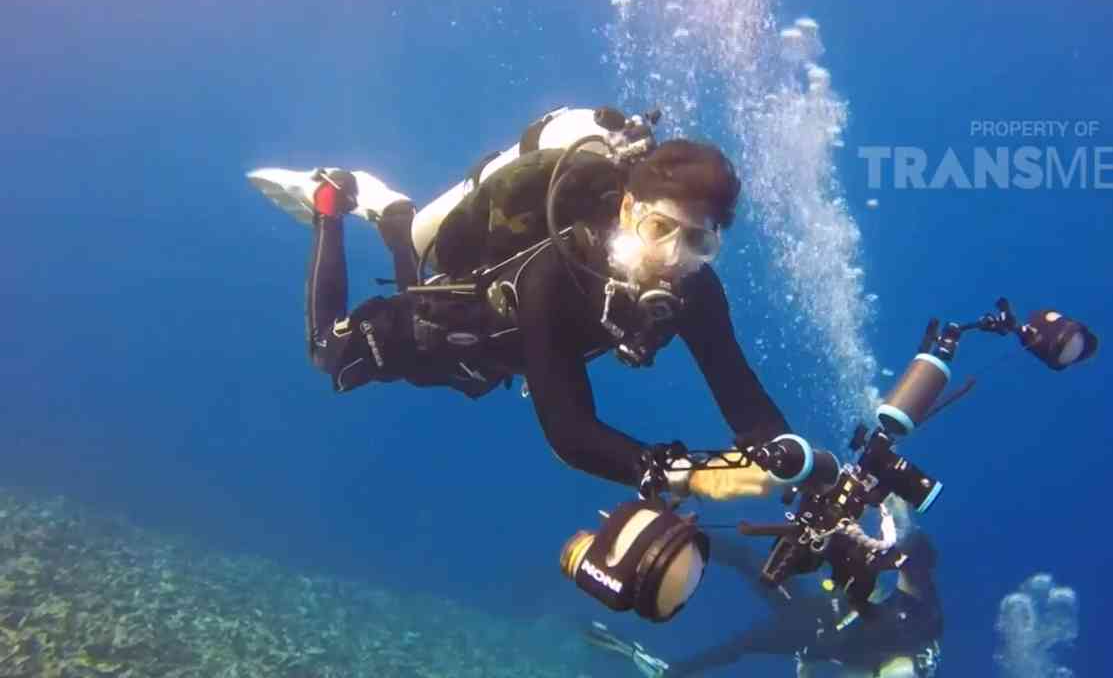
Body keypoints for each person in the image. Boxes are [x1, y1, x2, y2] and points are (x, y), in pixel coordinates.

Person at [248, 108, 792, 500]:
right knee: (330, 353)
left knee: (413, 257)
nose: (673, 257)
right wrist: (685, 474)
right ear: (628, 210)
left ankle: (393, 211)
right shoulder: (555, 272)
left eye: (699, 242)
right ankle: (330, 197)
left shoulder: (696, 291)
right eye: (659, 228)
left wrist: (800, 465)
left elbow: (741, 395)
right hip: (462, 324)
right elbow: (570, 431)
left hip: (505, 359)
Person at [586, 524, 944, 677]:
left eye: (896, 558)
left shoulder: (908, 620)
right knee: (750, 564)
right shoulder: (922, 605)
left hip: (810, 631)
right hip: (817, 615)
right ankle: (684, 535)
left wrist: (811, 657)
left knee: (741, 643)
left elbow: (851, 644)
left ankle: (671, 671)